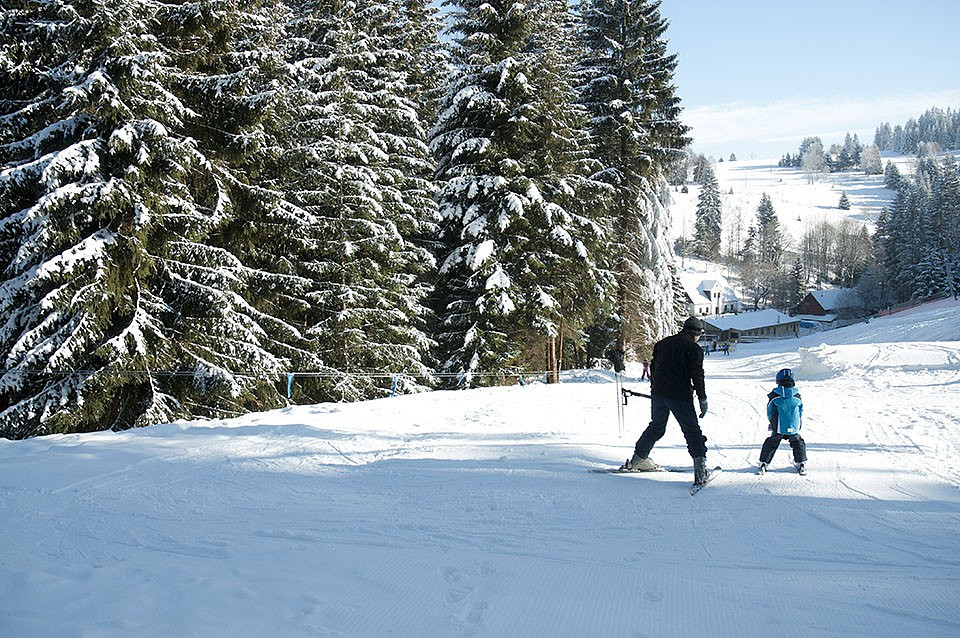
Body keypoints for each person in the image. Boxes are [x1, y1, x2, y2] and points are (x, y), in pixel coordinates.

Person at [620, 317, 710, 485]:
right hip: (680, 396)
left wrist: (656, 389)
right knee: (692, 431)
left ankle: (638, 459)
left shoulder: (663, 343)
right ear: (696, 334)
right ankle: (700, 471)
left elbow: (653, 368)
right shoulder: (694, 349)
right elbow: (697, 375)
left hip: (659, 395)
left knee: (656, 427)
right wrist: (702, 398)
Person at [758, 368, 807, 475]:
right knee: (797, 442)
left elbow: (769, 411)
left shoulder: (775, 395)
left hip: (779, 426)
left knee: (772, 442)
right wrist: (798, 424)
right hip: (793, 426)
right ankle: (801, 463)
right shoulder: (797, 395)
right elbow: (800, 410)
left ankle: (764, 462)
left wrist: (772, 423)